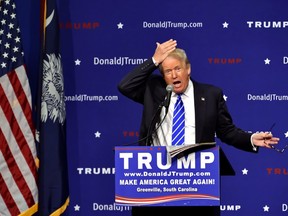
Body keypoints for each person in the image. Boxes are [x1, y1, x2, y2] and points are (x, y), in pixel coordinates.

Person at [117, 39, 280, 216]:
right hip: (157, 182)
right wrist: (154, 61)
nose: (173, 75)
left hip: (196, 184)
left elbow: (226, 131)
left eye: (178, 69)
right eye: (168, 71)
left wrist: (250, 138)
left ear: (188, 69)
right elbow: (125, 86)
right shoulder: (154, 90)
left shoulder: (210, 94)